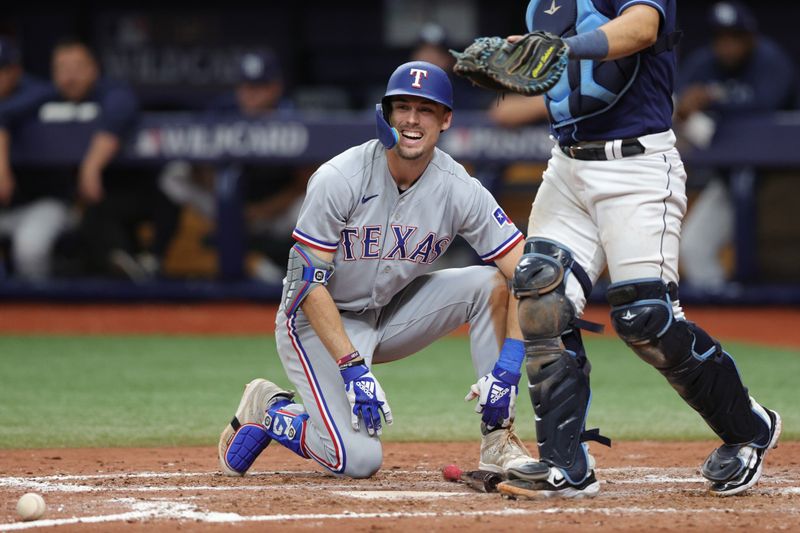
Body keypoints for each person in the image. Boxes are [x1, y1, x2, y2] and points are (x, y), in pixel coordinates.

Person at [488, 0, 781, 499]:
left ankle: (748, 427)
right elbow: (554, 84)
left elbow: (642, 28)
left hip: (637, 164)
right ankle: (564, 465)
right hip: (567, 166)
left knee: (646, 320)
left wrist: (563, 47)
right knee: (540, 294)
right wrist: (520, 67)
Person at [218, 60, 545, 480]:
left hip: (389, 312)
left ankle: (498, 440)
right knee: (358, 461)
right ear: (386, 113)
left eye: (425, 109)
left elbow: (526, 274)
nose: (412, 119)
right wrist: (352, 366)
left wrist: (509, 365)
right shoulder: (339, 177)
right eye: (403, 107)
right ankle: (271, 410)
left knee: (491, 283)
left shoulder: (458, 187)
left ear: (445, 119)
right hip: (317, 321)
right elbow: (306, 284)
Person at [675, 1, 799, 288]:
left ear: (750, 37)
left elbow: (766, 105)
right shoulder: (704, 63)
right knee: (693, 247)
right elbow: (678, 106)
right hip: (732, 182)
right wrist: (684, 109)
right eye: (721, 38)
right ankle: (728, 319)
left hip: (785, 182)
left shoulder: (771, 60)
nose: (727, 46)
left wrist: (713, 99)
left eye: (735, 38)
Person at [159, 50, 305, 283]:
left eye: (260, 88)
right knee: (173, 175)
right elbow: (198, 162)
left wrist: (262, 211)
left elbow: (304, 181)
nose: (251, 96)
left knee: (314, 197)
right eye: (246, 87)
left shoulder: (292, 115)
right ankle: (157, 258)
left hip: (276, 213)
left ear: (276, 88)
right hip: (227, 207)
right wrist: (226, 205)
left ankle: (289, 266)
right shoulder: (223, 110)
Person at [46, 39, 179, 280]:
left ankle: (145, 261)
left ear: (93, 69)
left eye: (77, 68)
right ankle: (123, 262)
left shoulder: (112, 92)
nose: (70, 77)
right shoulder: (45, 97)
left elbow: (122, 106)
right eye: (62, 69)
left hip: (134, 193)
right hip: (79, 204)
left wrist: (91, 165)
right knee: (90, 221)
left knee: (169, 196)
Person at [0, 36, 70, 281]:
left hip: (42, 202)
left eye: (1, 70)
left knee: (30, 249)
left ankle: (39, 316)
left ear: (15, 70)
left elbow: (4, 114)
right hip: (6, 208)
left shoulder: (40, 92)